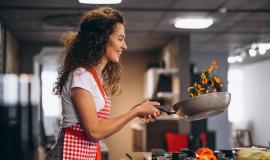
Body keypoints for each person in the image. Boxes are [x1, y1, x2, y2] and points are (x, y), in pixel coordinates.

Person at [46, 7, 161, 160]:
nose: (124, 46)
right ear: (102, 39)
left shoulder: (93, 77)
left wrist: (137, 110)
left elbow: (98, 125)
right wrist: (135, 112)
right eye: (120, 39)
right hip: (68, 154)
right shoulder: (81, 76)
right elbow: (94, 132)